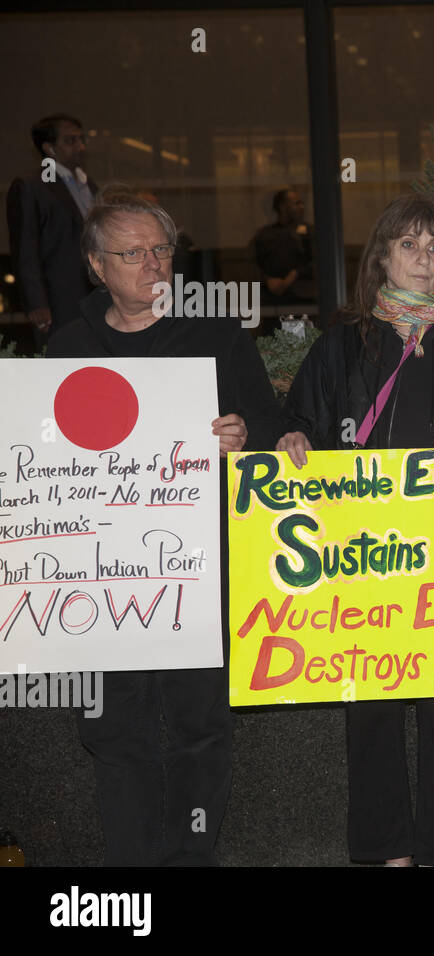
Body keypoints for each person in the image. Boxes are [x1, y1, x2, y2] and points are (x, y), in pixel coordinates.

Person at [276, 192, 434, 866]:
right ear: (383, 257)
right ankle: (388, 853)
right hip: (362, 560)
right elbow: (298, 416)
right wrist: (294, 438)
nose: (424, 258)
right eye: (409, 244)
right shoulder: (343, 344)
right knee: (370, 712)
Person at [46, 189, 283, 865]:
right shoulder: (68, 349)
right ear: (97, 266)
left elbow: (271, 428)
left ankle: (190, 860)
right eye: (133, 253)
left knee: (199, 726)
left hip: (197, 568)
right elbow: (38, 466)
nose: (154, 265)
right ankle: (131, 870)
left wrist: (243, 437)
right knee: (114, 730)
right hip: (95, 579)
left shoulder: (215, 337)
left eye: (162, 250)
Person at [6, 114, 99, 341]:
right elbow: (25, 248)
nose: (80, 146)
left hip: (95, 294)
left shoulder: (89, 184)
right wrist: (36, 302)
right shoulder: (31, 186)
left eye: (81, 139)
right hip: (58, 300)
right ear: (49, 148)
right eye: (70, 141)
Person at [253, 187, 315, 309]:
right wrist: (267, 280)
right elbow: (253, 263)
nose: (301, 207)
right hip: (272, 300)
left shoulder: (309, 233)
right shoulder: (265, 234)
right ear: (282, 207)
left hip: (303, 299)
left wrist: (295, 274)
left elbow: (319, 262)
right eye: (296, 203)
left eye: (301, 203)